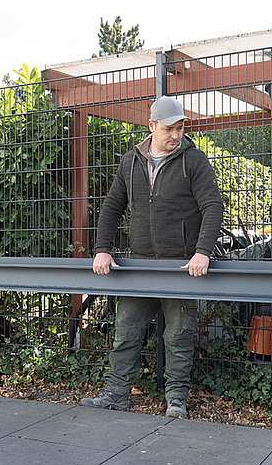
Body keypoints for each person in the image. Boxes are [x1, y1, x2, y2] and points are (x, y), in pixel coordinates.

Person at [80, 95, 224, 418]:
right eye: (170, 129)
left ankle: (176, 401)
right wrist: (102, 248)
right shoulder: (130, 162)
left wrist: (202, 252)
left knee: (179, 335)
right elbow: (112, 206)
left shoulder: (194, 161)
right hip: (141, 265)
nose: (176, 135)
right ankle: (117, 393)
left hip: (181, 267)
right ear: (152, 126)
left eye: (181, 128)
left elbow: (213, 206)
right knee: (126, 330)